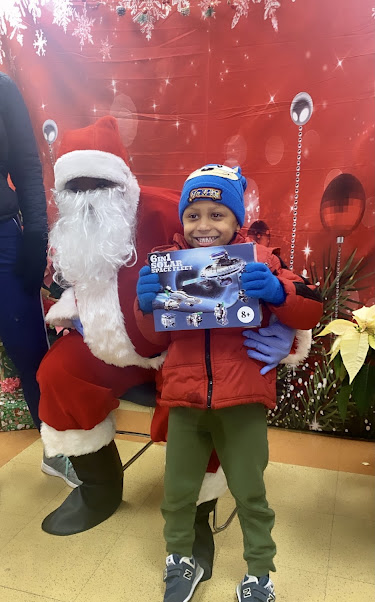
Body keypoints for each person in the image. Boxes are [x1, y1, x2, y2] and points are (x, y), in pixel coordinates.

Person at [36, 118, 301, 560]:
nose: (87, 198)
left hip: (177, 352)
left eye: (97, 183)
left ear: (122, 179)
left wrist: (285, 329)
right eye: (75, 186)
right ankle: (98, 487)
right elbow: (75, 283)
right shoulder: (68, 229)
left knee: (207, 400)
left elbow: (257, 262)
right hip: (105, 346)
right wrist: (69, 313)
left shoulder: (172, 212)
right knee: (58, 375)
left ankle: (198, 511)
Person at [135, 164, 323, 602]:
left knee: (252, 494)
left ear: (236, 219)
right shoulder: (166, 266)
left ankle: (260, 576)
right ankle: (180, 559)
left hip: (242, 401)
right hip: (184, 401)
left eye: (217, 214)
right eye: (194, 214)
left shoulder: (261, 257)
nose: (204, 225)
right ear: (182, 219)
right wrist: (144, 306)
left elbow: (312, 304)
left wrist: (278, 292)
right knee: (177, 492)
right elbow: (150, 340)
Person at [0, 72, 79, 488]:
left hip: (3, 239)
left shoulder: (3, 88)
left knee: (31, 351)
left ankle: (57, 450)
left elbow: (28, 168)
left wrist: (35, 236)